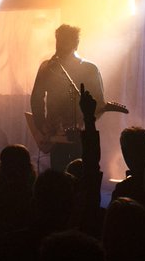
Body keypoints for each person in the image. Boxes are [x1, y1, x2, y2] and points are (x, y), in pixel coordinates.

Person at [29, 24, 125, 171]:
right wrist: (42, 124)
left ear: (76, 44)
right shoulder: (48, 67)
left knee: (80, 175)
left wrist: (89, 117)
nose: (60, 45)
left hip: (80, 136)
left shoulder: (89, 69)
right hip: (56, 135)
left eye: (64, 41)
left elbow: (97, 102)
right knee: (59, 176)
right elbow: (36, 98)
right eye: (58, 40)